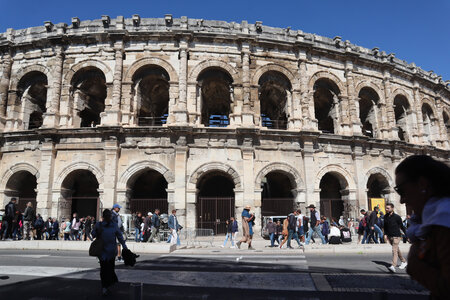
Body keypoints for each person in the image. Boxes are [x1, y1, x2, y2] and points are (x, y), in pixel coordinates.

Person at [394, 155, 450, 299]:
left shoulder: (444, 223)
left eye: (401, 190)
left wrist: (415, 263)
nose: (401, 200)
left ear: (422, 184)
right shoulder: (434, 221)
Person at [92, 209, 128, 296]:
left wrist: (125, 247)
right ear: (104, 217)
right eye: (107, 216)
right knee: (104, 270)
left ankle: (108, 283)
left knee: (110, 269)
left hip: (111, 252)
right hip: (103, 252)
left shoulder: (114, 225)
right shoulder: (99, 225)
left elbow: (120, 237)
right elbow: (93, 234)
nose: (109, 217)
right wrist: (96, 231)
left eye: (110, 216)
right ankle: (105, 287)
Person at [383, 203, 407, 273]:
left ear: (392, 208)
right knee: (397, 250)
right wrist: (385, 234)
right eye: (386, 208)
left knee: (394, 250)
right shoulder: (385, 217)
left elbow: (402, 227)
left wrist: (407, 235)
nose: (386, 209)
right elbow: (385, 226)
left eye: (388, 208)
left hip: (396, 236)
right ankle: (404, 261)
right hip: (390, 236)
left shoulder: (397, 217)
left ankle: (393, 266)